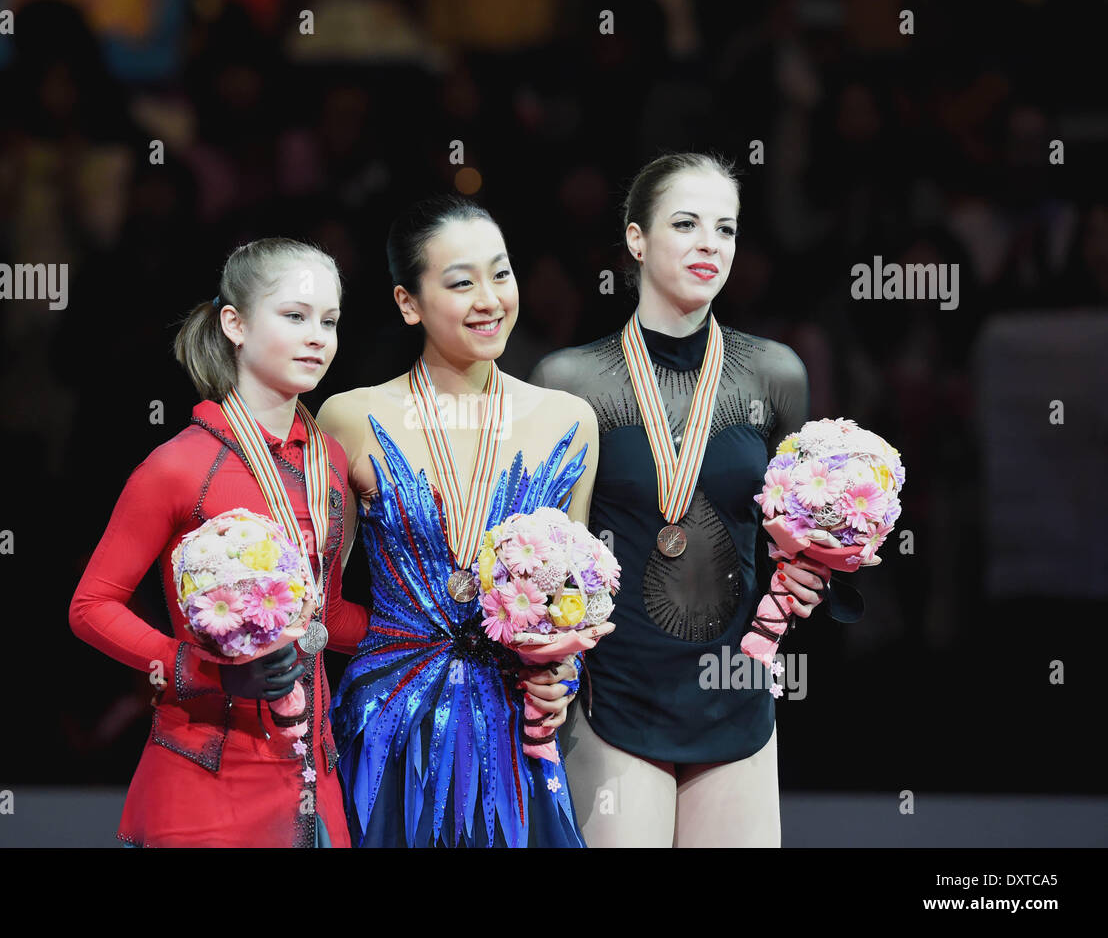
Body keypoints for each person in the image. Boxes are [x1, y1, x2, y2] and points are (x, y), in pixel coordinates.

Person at [530, 153, 864, 847]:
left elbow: (794, 531)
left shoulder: (774, 373)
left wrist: (807, 572)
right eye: (686, 223)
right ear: (636, 239)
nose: (710, 243)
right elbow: (546, 555)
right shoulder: (570, 380)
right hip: (613, 692)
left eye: (726, 228)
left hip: (735, 694)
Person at [317, 195, 608, 847]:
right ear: (408, 303)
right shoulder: (350, 417)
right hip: (388, 728)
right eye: (460, 282)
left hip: (514, 734)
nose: (489, 298)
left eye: (500, 274)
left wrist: (559, 675)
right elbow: (317, 600)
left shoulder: (570, 421)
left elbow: (579, 603)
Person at [69, 238, 370, 847]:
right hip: (207, 773)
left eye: (330, 321)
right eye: (295, 316)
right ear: (234, 323)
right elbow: (90, 607)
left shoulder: (330, 461)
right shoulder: (178, 465)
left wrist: (434, 636)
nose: (318, 336)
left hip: (315, 773)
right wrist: (197, 670)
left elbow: (325, 614)